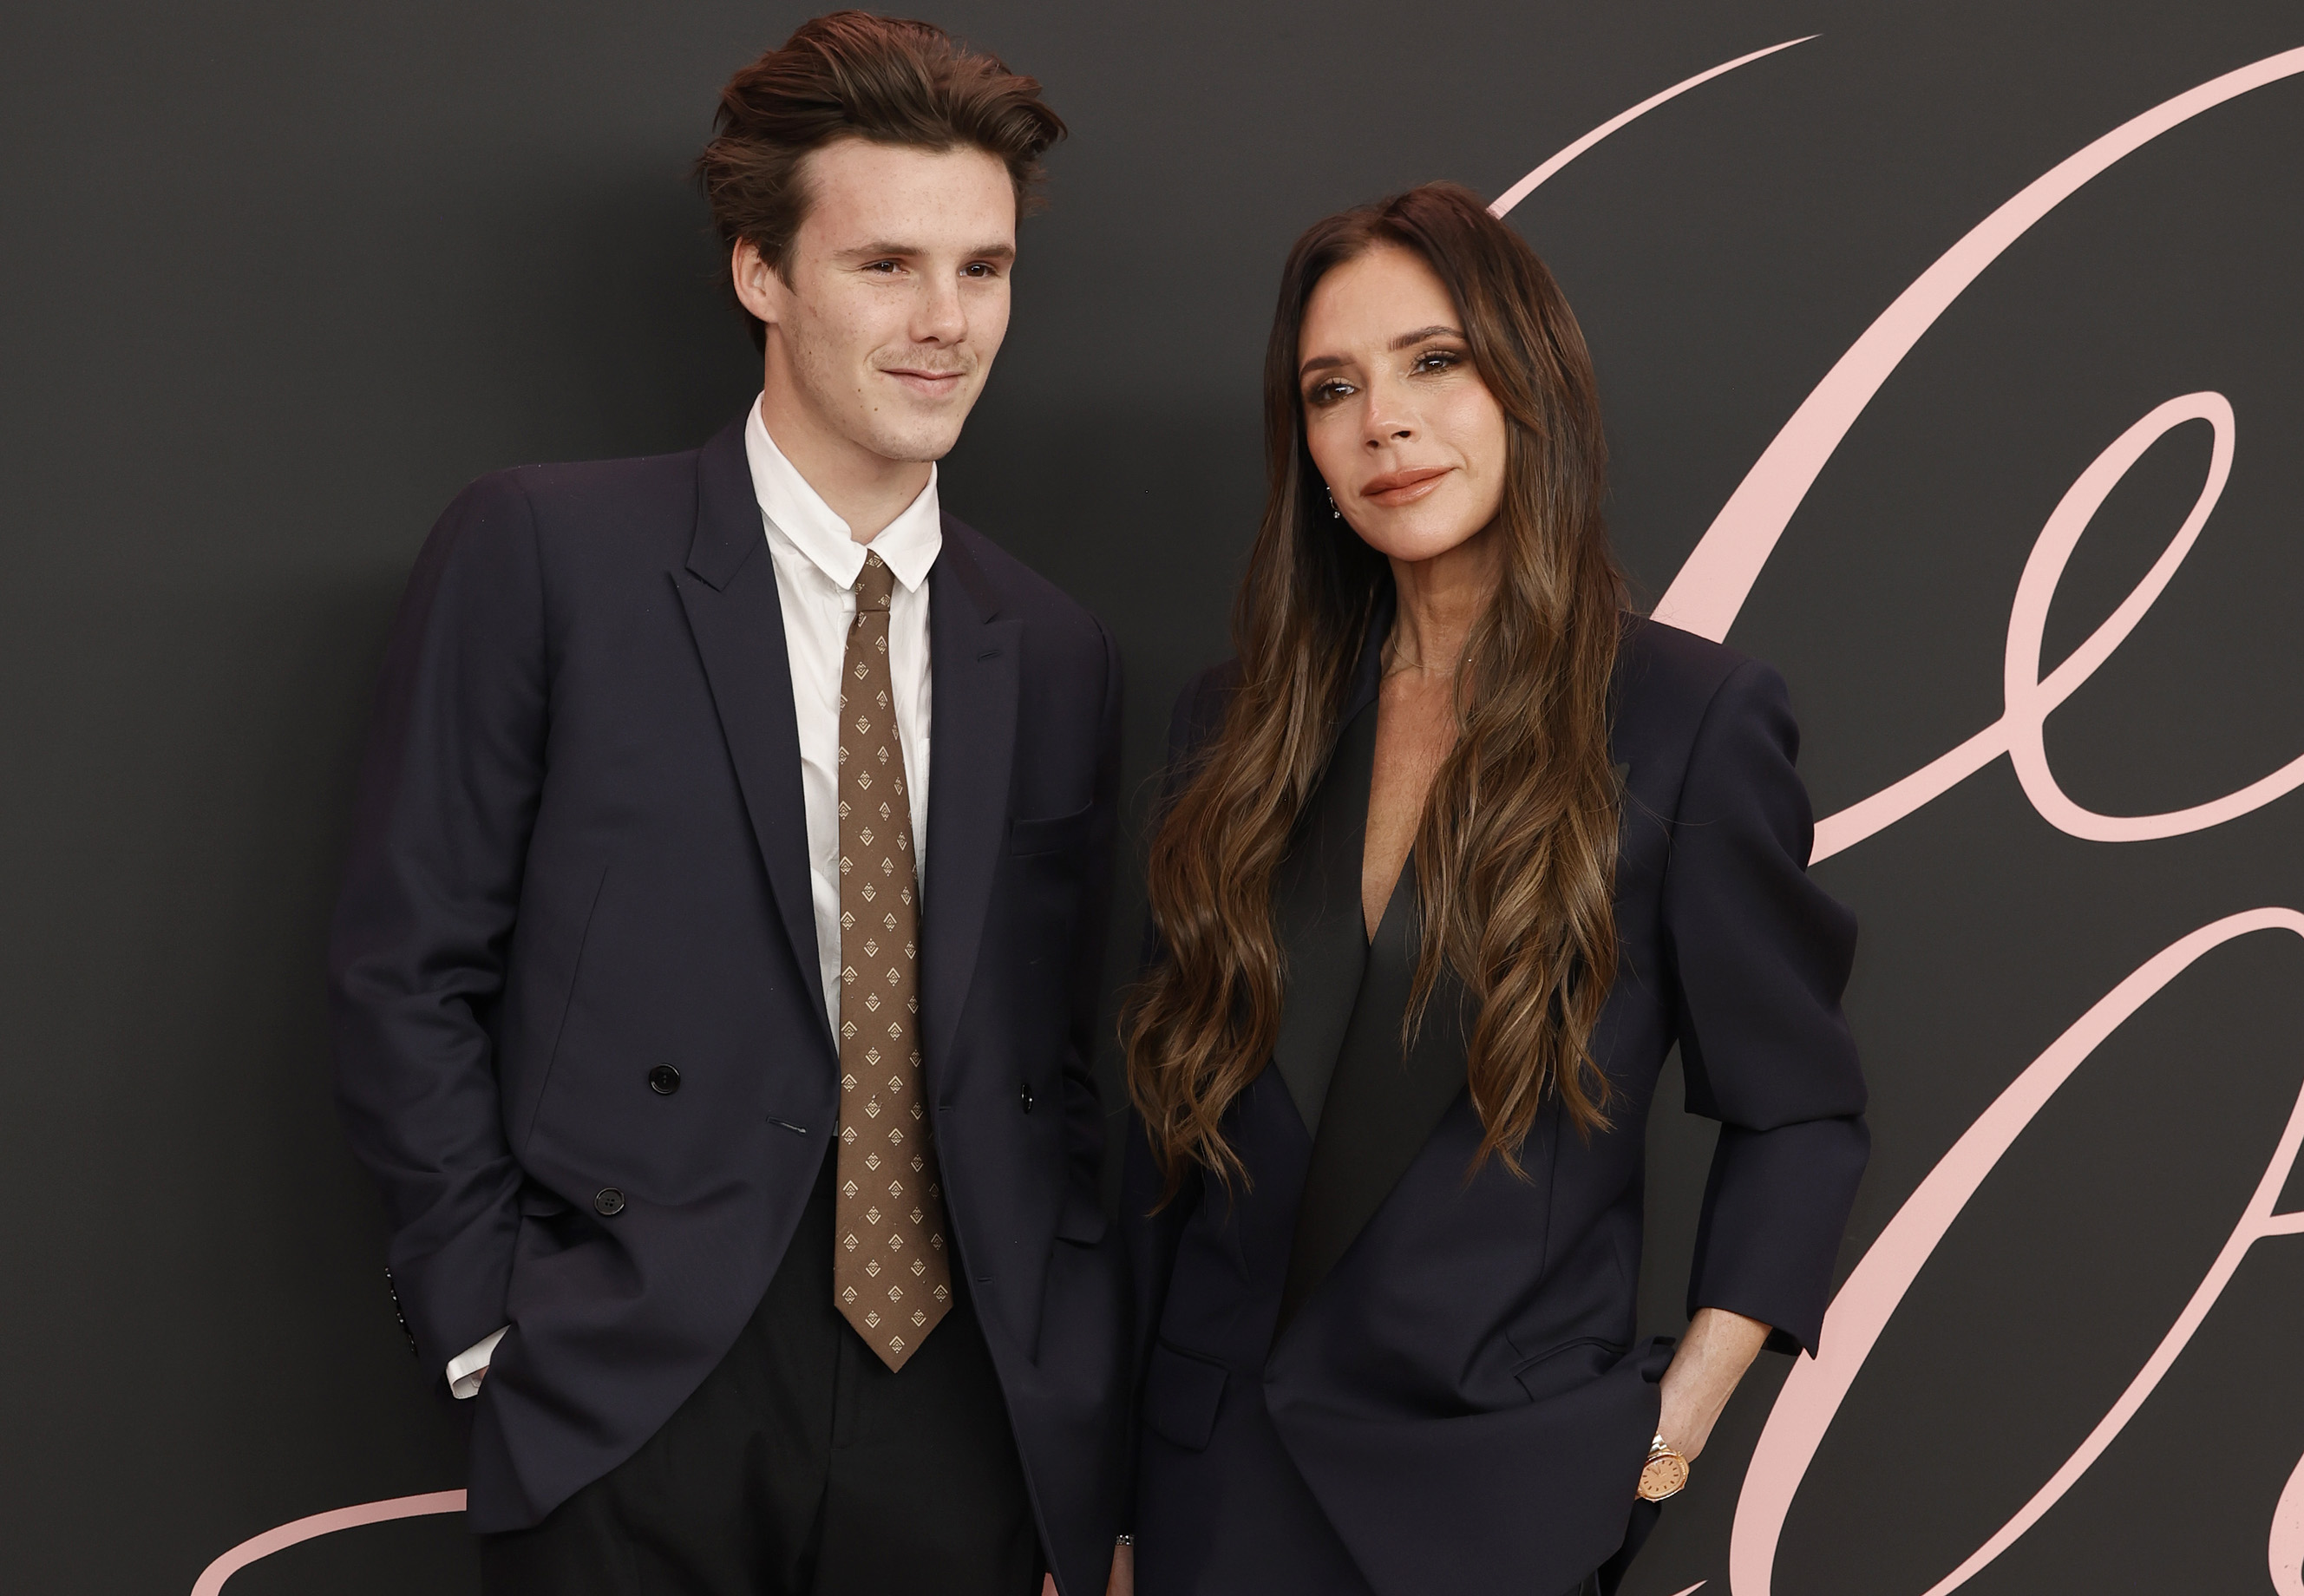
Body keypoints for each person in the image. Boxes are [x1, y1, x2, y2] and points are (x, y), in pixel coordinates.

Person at [330, 15, 1130, 1595]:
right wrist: (494, 1325)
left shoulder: (1052, 645)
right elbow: (402, 965)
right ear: (762, 274)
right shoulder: (547, 556)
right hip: (636, 1372)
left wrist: (1067, 1368)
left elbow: (1057, 1055)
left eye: (985, 269)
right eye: (886, 265)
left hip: (963, 1397)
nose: (946, 322)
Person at [1120, 182, 1869, 1596]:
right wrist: (1113, 1513)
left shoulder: (1685, 717)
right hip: (1209, 1500)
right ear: (1311, 455)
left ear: (1532, 385)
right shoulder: (1230, 724)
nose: (1383, 421)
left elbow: (1803, 1112)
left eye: (1434, 362)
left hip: (1493, 1510)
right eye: (1332, 389)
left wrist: (1670, 1429)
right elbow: (1170, 1157)